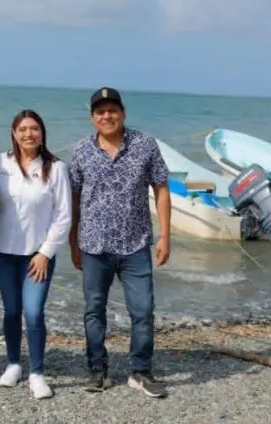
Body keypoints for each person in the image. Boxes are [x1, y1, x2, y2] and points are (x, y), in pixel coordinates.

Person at [68, 87, 172, 398]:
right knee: (93, 310)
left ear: (123, 113)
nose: (107, 116)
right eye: (100, 112)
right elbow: (73, 199)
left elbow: (162, 189)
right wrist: (73, 242)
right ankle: (97, 370)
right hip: (93, 245)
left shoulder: (145, 145)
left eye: (112, 110)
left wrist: (166, 235)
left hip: (136, 245)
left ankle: (140, 371)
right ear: (92, 117)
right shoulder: (80, 151)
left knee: (143, 310)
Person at [0, 109, 71, 399]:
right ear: (13, 133)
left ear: (42, 132)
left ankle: (37, 371)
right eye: (22, 129)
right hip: (1, 250)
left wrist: (46, 252)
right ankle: (13, 363)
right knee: (11, 310)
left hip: (38, 255)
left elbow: (63, 217)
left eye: (34, 128)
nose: (28, 134)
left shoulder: (56, 168)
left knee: (33, 312)